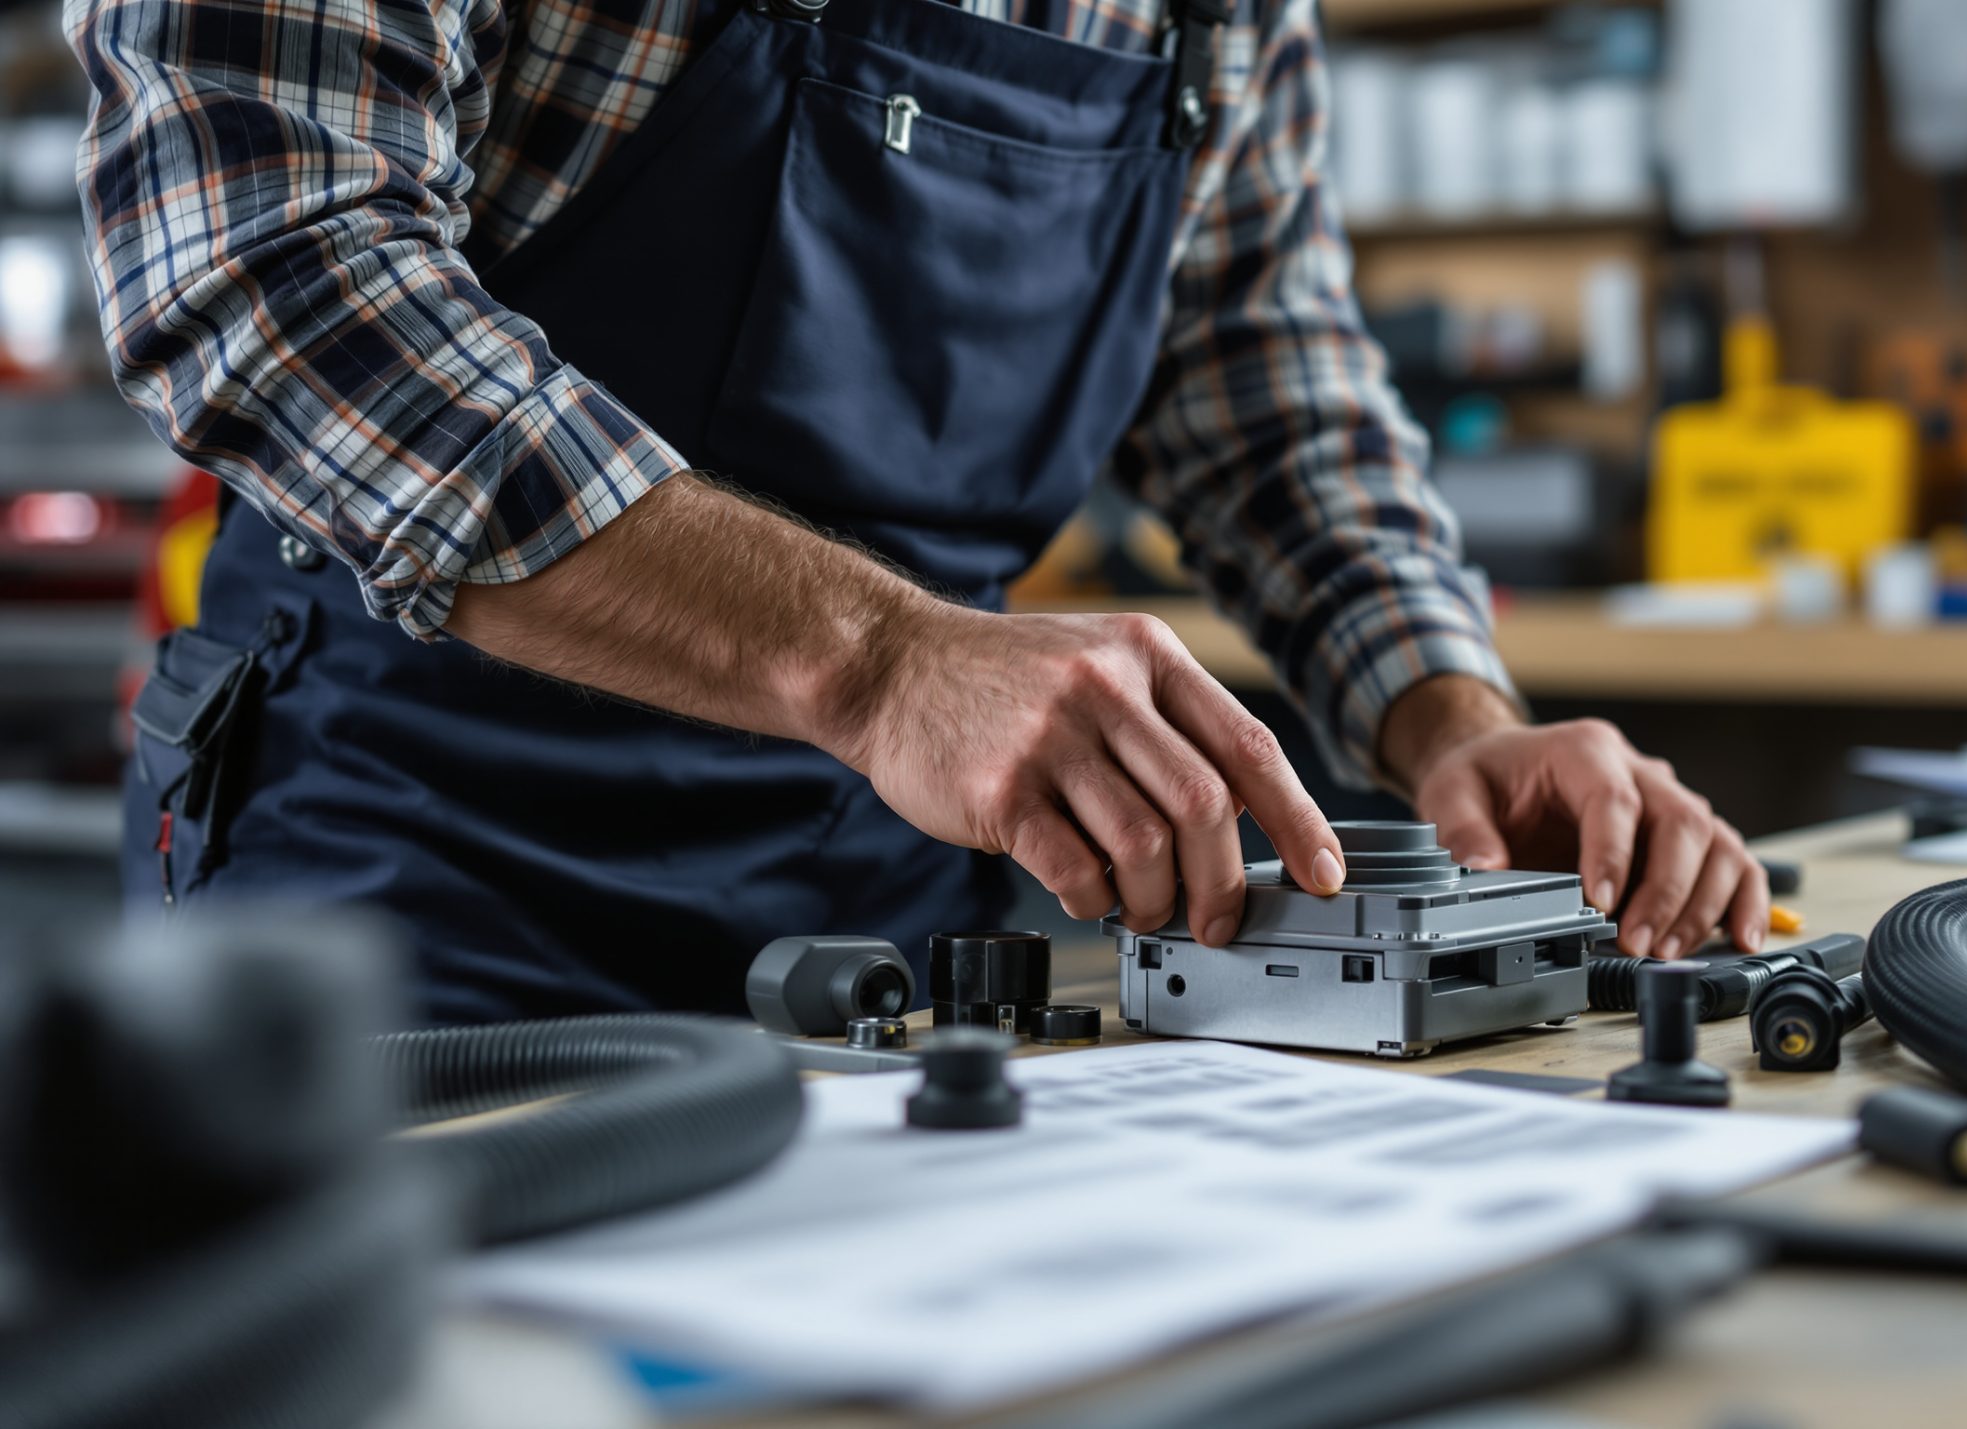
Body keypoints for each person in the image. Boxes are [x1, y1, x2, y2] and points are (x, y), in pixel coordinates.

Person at [68, 0, 1768, 1023]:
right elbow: (271, 268)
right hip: (404, 885)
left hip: (878, 929)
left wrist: (1450, 721)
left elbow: (1258, 360)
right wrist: (882, 663)